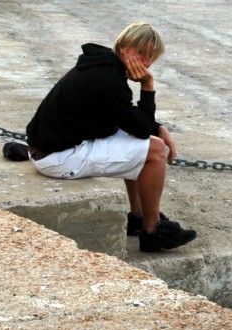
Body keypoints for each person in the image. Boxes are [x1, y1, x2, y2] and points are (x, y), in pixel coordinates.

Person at [25, 21, 196, 252]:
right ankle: (153, 231)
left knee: (142, 142)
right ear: (123, 47)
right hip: (58, 158)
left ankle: (137, 218)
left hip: (48, 149)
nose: (145, 63)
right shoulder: (109, 80)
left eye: (151, 58)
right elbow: (141, 128)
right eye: (141, 54)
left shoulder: (102, 65)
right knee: (155, 151)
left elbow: (128, 119)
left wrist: (158, 127)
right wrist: (148, 85)